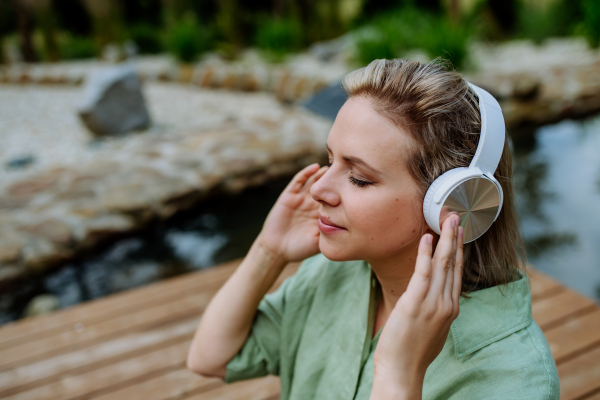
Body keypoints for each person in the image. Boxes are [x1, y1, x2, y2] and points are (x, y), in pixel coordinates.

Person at [186, 59, 560, 399]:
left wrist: (400, 374)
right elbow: (211, 358)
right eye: (330, 159)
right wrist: (268, 253)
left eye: (359, 178)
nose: (318, 189)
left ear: (452, 203)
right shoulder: (330, 275)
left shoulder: (516, 377)